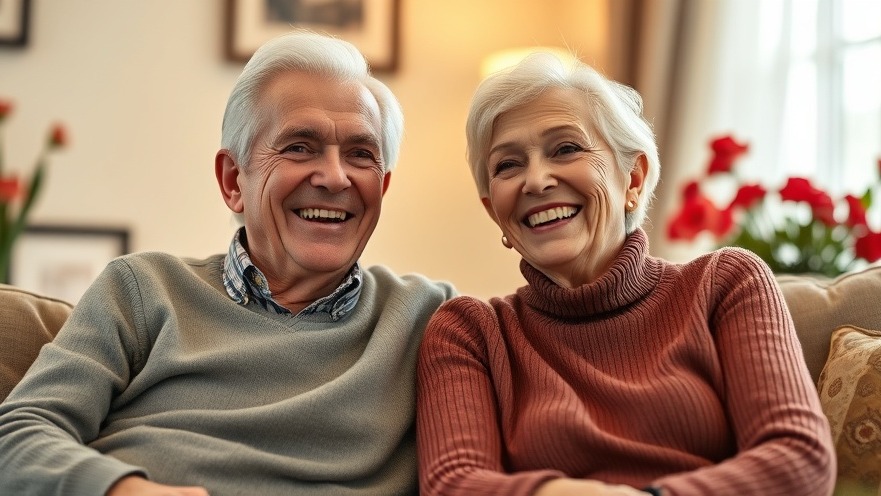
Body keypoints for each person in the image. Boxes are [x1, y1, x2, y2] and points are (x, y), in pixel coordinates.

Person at [0, 30, 456, 495]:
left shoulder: (432, 318)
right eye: (300, 147)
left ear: (382, 187)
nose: (336, 177)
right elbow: (19, 436)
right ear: (233, 179)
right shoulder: (143, 290)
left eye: (361, 154)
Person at [415, 53, 835, 496]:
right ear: (493, 210)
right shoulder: (471, 332)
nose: (535, 181)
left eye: (566, 148)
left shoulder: (726, 283)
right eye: (507, 165)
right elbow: (453, 484)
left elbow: (798, 457)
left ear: (633, 178)